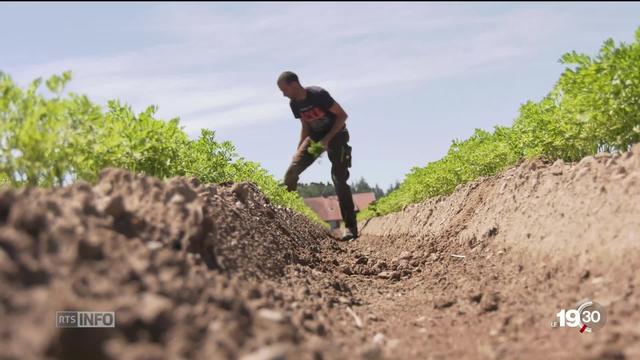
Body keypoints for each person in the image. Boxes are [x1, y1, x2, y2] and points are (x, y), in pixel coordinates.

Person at [277, 71, 358, 241]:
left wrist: (327, 140)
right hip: (314, 138)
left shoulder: (318, 95)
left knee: (338, 178)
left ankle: (350, 227)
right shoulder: (294, 104)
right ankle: (288, 221)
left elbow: (343, 116)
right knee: (291, 173)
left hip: (337, 135)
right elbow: (306, 127)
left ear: (294, 84)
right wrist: (298, 151)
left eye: (284, 89)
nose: (283, 94)